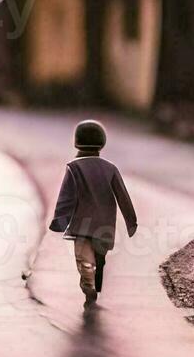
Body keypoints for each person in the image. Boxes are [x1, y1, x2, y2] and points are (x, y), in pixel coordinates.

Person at [49, 119, 137, 306]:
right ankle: (96, 278)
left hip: (82, 223)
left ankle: (88, 282)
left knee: (83, 258)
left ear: (76, 141)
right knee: (100, 254)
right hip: (105, 223)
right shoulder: (110, 168)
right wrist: (131, 221)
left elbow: (66, 196)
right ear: (102, 143)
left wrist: (59, 220)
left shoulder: (73, 167)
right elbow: (123, 196)